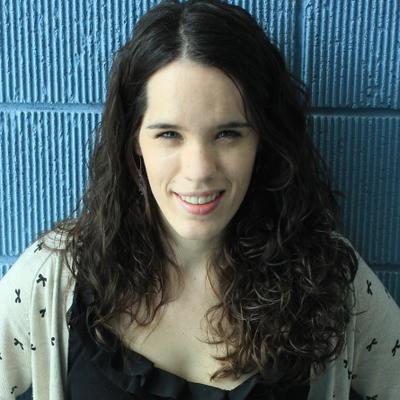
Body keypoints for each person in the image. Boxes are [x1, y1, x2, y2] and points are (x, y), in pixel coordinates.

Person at [1, 0, 399, 398]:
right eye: (169, 134)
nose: (199, 170)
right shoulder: (55, 275)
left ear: (262, 140)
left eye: (228, 134)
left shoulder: (326, 275)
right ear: (134, 140)